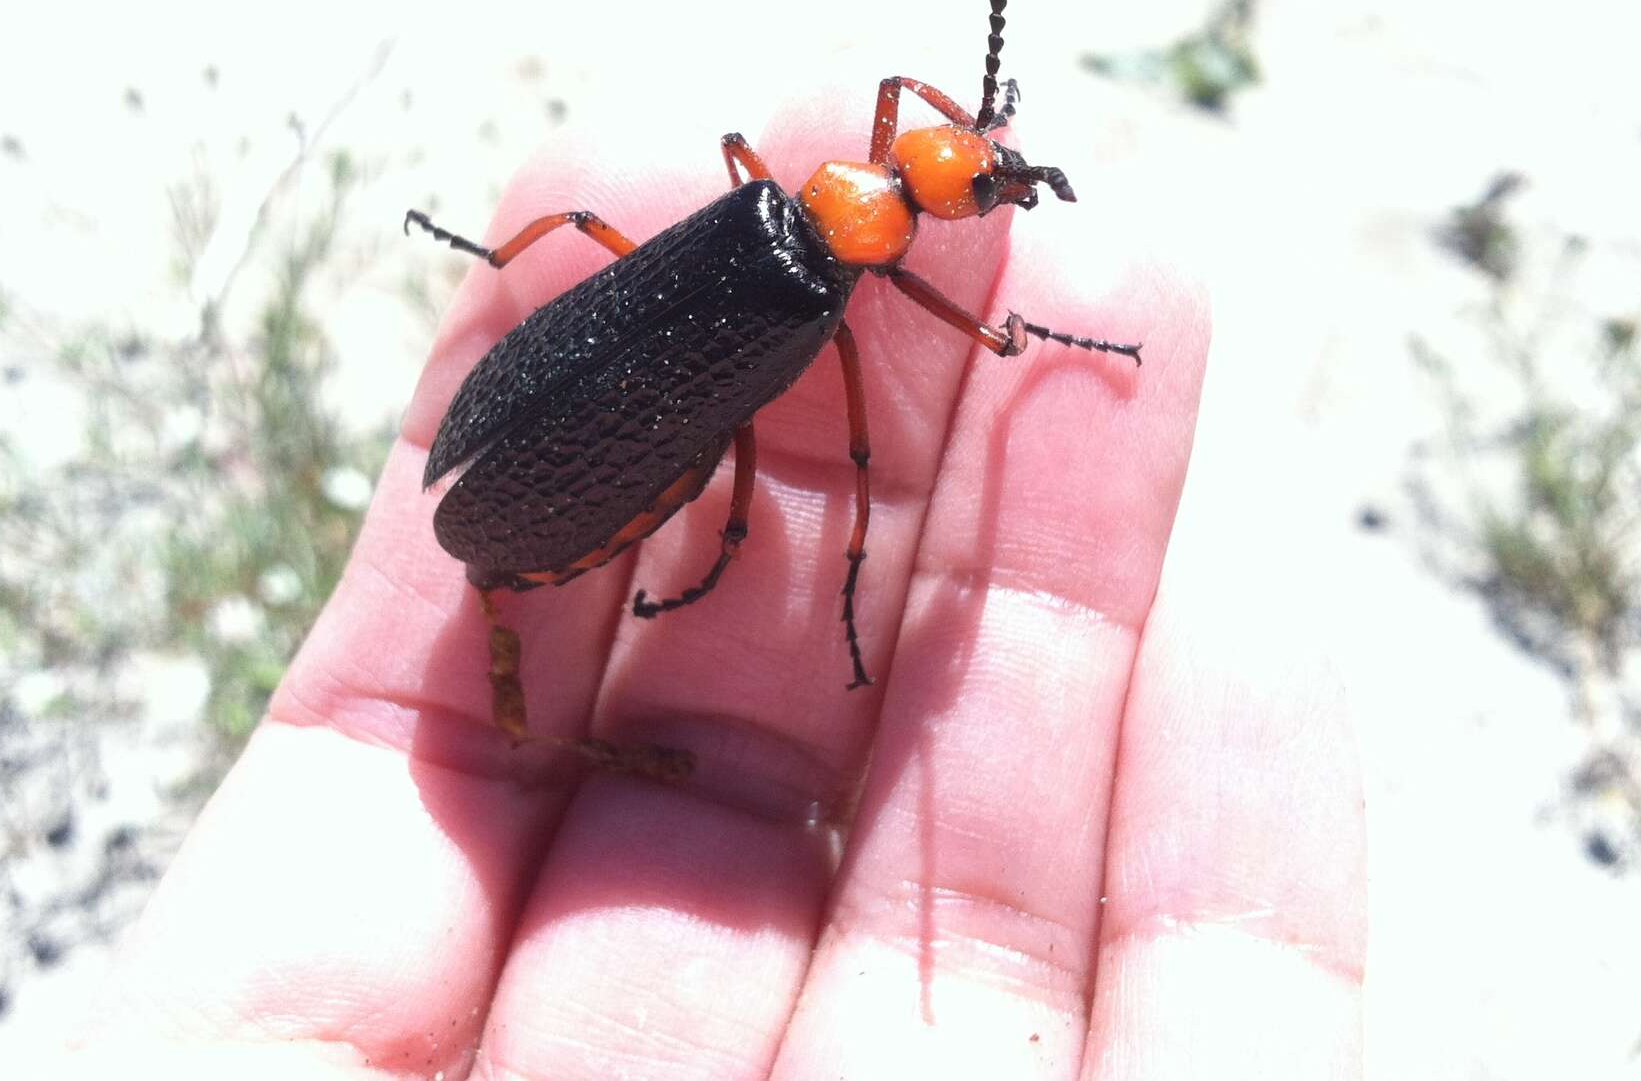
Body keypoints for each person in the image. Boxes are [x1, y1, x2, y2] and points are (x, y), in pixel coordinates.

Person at [83, 114, 1366, 1078]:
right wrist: (870, 570)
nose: (977, 181)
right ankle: (697, 522)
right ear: (901, 198)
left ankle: (595, 410)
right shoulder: (821, 283)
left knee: (644, 314)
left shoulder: (776, 205)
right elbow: (875, 438)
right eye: (969, 173)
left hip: (570, 409)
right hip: (582, 438)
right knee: (752, 442)